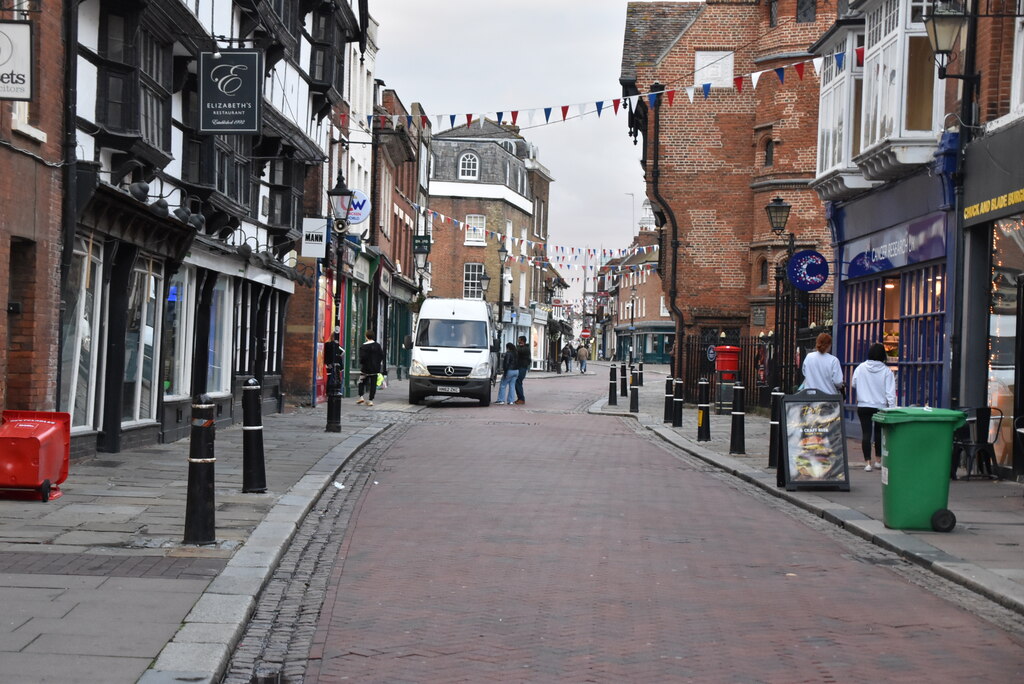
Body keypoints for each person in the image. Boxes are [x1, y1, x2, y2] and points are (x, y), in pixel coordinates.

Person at [852, 343, 897, 472]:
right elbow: (890, 393)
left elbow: (854, 383)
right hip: (880, 406)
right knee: (878, 433)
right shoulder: (886, 371)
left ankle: (867, 463)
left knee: (866, 433)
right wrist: (892, 408)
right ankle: (878, 460)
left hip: (863, 405)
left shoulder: (861, 368)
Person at [356, 330, 385, 406]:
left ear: (366, 336)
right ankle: (370, 400)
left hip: (365, 369)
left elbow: (362, 358)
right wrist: (377, 363)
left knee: (361, 382)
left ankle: (361, 396)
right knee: (373, 384)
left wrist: (362, 363)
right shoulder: (377, 346)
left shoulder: (363, 346)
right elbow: (382, 355)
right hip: (375, 369)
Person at [513, 335, 531, 404]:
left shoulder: (526, 348)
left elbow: (519, 350)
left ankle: (521, 399)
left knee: (518, 382)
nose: (518, 340)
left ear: (522, 340)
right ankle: (519, 398)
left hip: (523, 367)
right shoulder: (521, 347)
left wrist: (517, 347)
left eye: (519, 339)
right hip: (519, 367)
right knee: (517, 382)